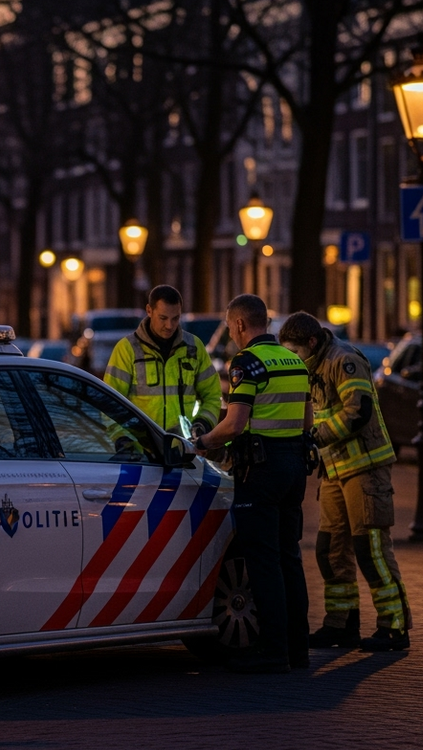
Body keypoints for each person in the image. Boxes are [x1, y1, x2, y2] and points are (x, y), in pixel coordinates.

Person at [192, 294, 311, 673]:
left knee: (264, 561)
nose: (230, 333)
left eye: (230, 326)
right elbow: (308, 422)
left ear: (241, 324)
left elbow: (235, 423)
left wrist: (203, 444)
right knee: (290, 557)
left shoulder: (247, 362)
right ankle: (298, 649)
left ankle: (273, 650)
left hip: (260, 472)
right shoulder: (295, 361)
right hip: (294, 468)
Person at [278, 311, 411, 652]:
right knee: (330, 549)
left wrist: (314, 438)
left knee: (371, 549)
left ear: (311, 342)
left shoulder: (344, 360)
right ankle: (341, 624)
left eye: (295, 352)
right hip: (334, 470)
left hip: (365, 467)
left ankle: (394, 626)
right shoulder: (311, 365)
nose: (293, 360)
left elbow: (358, 411)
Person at [104, 284, 222, 439]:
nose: (170, 325)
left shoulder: (194, 348)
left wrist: (203, 423)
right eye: (163, 318)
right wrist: (122, 439)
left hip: (182, 448)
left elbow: (212, 396)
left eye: (176, 318)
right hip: (140, 450)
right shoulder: (127, 349)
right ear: (149, 311)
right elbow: (109, 402)